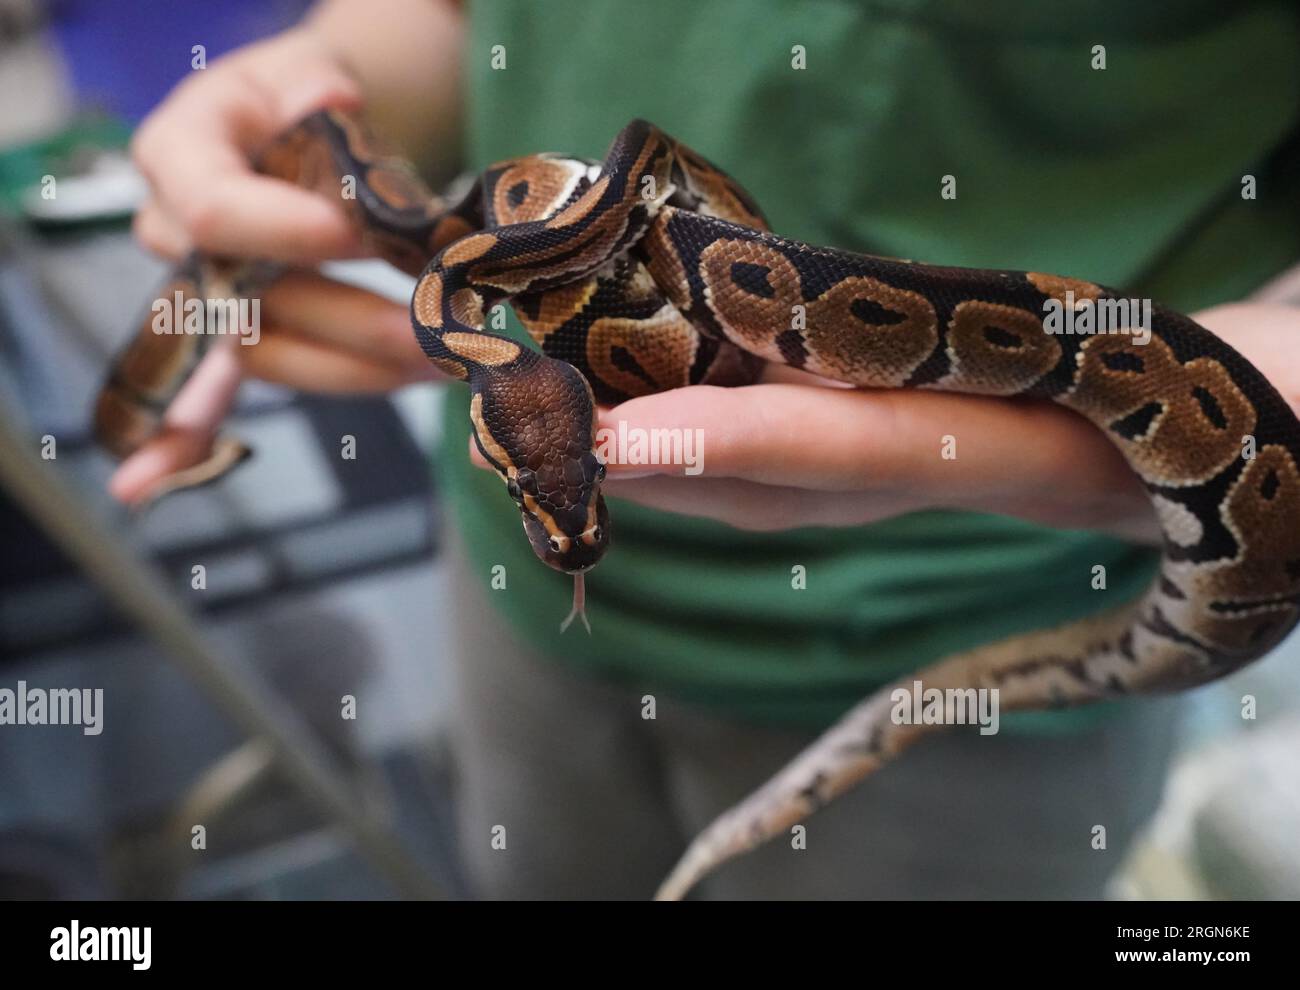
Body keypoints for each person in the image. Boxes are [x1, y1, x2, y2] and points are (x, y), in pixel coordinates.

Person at [118, 0, 1300, 898]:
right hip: (521, 629)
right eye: (557, 489)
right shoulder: (513, 381)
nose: (571, 516)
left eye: (564, 489)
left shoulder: (507, 297)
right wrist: (323, 88)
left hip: (973, 628)